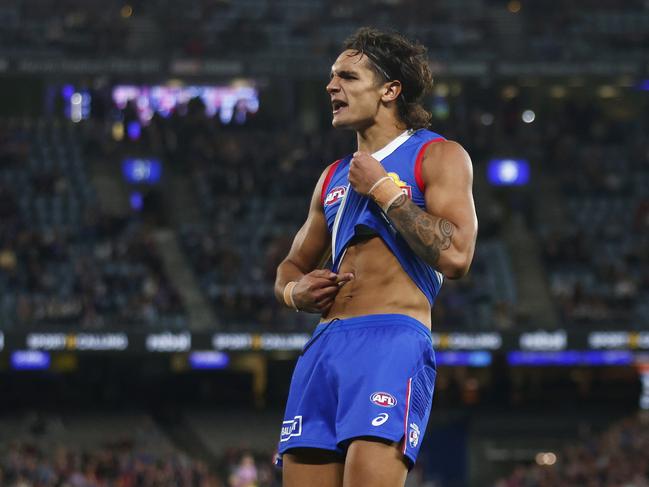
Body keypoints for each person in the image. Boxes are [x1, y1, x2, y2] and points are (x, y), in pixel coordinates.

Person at [274, 27, 478, 487]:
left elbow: (459, 256)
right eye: (331, 77)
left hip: (391, 342)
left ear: (390, 90)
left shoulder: (438, 155)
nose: (331, 86)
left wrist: (386, 191)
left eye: (347, 76)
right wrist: (293, 292)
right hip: (324, 347)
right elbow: (289, 266)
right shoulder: (332, 176)